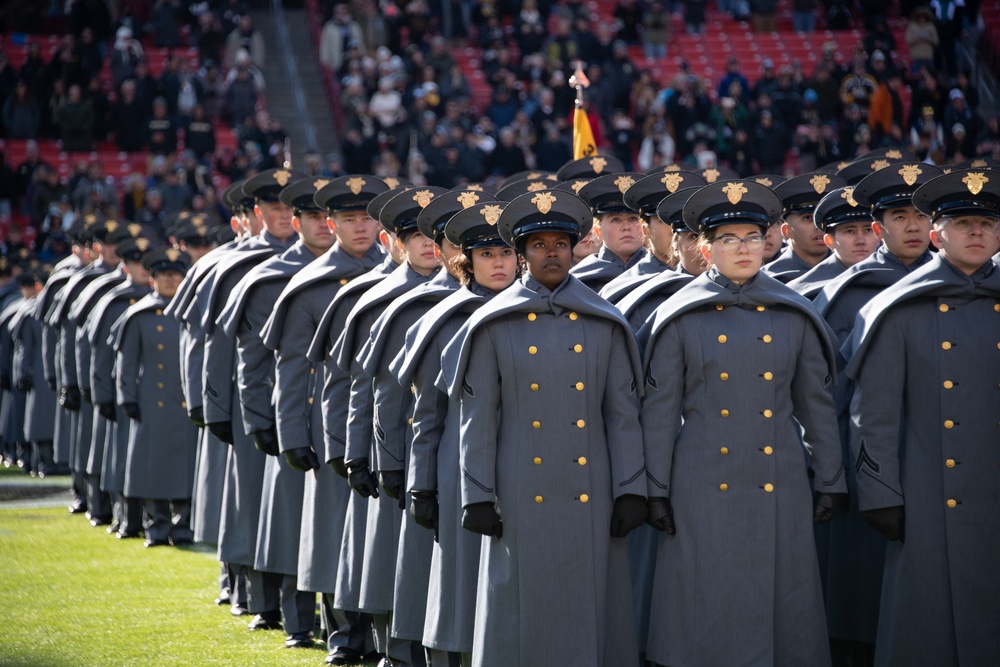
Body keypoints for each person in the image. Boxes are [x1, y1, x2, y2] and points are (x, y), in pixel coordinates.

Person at [638, 179, 847, 667]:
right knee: (705, 608)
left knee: (782, 614)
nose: (744, 249)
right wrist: (653, 490)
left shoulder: (794, 312)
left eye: (752, 237)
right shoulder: (679, 315)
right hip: (700, 482)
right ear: (706, 248)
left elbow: (816, 407)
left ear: (768, 241)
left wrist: (831, 479)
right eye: (729, 240)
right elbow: (659, 415)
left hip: (780, 481)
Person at [441, 189, 648, 667]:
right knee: (521, 607)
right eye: (539, 245)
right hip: (519, 490)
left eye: (560, 243)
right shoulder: (492, 324)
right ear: (521, 254)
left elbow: (622, 415)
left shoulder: (605, 321)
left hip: (591, 489)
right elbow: (479, 420)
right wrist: (476, 495)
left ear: (575, 248)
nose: (550, 253)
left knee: (591, 604)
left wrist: (632, 489)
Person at [843, 169, 1000, 665]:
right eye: (964, 224)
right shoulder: (901, 308)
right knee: (928, 630)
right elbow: (875, 415)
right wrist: (880, 493)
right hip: (932, 493)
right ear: (938, 235)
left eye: (985, 224)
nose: (976, 233)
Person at [262, 175, 390, 666]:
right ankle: (343, 637)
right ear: (329, 224)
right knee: (333, 533)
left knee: (376, 537)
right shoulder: (311, 285)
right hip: (329, 427)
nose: (360, 228)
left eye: (366, 218)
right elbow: (291, 368)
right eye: (348, 219)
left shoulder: (396, 270)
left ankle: (380, 635)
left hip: (384, 427)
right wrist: (291, 432)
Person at [358, 187, 489, 666]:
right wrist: (396, 467)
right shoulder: (424, 310)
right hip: (438, 462)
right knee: (422, 568)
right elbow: (394, 396)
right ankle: (403, 650)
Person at [390, 200, 518, 666]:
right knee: (459, 584)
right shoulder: (444, 318)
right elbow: (427, 414)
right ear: (467, 261)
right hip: (457, 467)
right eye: (487, 255)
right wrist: (421, 483)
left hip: (522, 462)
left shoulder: (537, 312)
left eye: (506, 252)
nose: (499, 262)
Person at [220, 176, 341, 649]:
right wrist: (260, 419)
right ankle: (290, 615)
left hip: (334, 417)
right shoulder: (271, 275)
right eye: (310, 217)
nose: (320, 226)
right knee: (289, 523)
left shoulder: (370, 271)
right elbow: (253, 358)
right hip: (291, 411)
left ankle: (339, 623)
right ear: (299, 221)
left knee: (330, 525)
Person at [332, 186, 445, 664]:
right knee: (392, 559)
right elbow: (366, 387)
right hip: (394, 445)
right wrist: (359, 453)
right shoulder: (383, 300)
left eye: (433, 234)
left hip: (442, 444)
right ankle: (393, 649)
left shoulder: (463, 295)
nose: (426, 244)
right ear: (395, 241)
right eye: (413, 234)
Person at [196, 168, 301, 632]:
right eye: (274, 209)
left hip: (300, 403)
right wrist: (215, 406)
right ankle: (253, 592)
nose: (282, 216)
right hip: (251, 399)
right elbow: (217, 345)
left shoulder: (312, 266)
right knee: (251, 502)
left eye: (288, 208)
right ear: (258, 213)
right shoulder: (240, 268)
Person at [115, 248, 197, 547]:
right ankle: (157, 526)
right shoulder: (140, 315)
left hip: (186, 401)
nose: (171, 280)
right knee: (153, 468)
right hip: (151, 400)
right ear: (153, 280)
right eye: (164, 275)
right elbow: (126, 361)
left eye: (176, 275)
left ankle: (183, 526)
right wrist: (128, 397)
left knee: (185, 468)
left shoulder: (193, 311)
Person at [87, 234, 152, 539]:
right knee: (119, 458)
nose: (142, 269)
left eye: (146, 263)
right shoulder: (112, 300)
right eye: (136, 262)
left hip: (151, 394)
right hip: (121, 390)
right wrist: (102, 394)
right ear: (125, 266)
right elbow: (99, 351)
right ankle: (122, 515)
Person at [600, 171, 708, 303]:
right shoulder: (626, 288)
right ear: (645, 229)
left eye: (684, 223)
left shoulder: (718, 280)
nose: (674, 232)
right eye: (664, 221)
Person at [787, 186, 880, 298]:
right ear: (829, 240)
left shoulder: (896, 278)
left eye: (868, 230)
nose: (860, 241)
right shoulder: (803, 293)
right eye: (850, 231)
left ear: (879, 233)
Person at [10, 270, 58, 477]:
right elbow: (24, 346)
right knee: (40, 421)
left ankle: (52, 461)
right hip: (38, 372)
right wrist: (22, 373)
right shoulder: (31, 311)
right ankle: (40, 461)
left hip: (54, 370)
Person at [572, 173, 649, 291]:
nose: (626, 227)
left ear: (644, 228)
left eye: (633, 219)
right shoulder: (580, 280)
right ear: (598, 231)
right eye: (616, 220)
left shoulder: (664, 272)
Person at [763, 173, 846, 283]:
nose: (819, 226)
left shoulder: (849, 272)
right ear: (786, 231)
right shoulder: (769, 279)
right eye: (807, 218)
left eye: (825, 218)